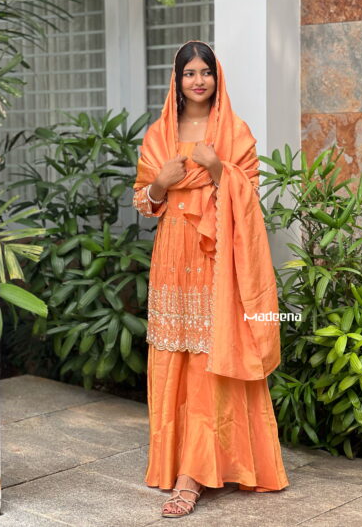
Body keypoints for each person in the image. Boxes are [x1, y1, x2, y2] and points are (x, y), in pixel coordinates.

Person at [133, 40, 289, 518]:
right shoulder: (159, 134)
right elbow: (144, 202)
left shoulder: (234, 132)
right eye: (189, 73)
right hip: (171, 258)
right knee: (175, 357)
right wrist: (160, 183)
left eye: (205, 72)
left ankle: (193, 475)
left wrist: (219, 169)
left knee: (210, 357)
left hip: (216, 259)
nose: (198, 80)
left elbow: (249, 197)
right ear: (177, 81)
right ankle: (175, 460)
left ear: (216, 78)